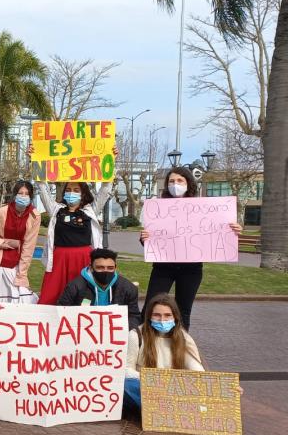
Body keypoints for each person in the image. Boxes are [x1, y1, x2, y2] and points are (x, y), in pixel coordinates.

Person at [141, 167, 243, 329]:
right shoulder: (157, 208)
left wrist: (233, 230)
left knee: (183, 311)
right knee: (150, 306)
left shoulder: (204, 207)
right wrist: (144, 238)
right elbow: (152, 240)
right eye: (171, 181)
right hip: (163, 268)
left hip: (191, 269)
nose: (175, 184)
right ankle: (145, 340)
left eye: (179, 180)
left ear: (188, 183)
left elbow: (216, 229)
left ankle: (180, 342)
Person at [36, 179, 113, 306]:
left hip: (83, 259)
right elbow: (43, 190)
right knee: (52, 293)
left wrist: (109, 174)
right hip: (60, 260)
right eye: (68, 190)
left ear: (83, 194)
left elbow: (105, 191)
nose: (71, 193)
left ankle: (83, 315)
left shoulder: (90, 210)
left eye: (76, 190)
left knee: (84, 294)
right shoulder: (56, 210)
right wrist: (38, 172)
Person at [124, 294, 207, 409]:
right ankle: (164, 408)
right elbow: (127, 370)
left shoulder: (183, 337)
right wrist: (154, 380)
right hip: (146, 386)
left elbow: (197, 370)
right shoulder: (136, 335)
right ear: (149, 316)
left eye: (167, 315)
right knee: (127, 385)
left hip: (173, 388)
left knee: (199, 385)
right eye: (157, 315)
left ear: (175, 317)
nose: (162, 320)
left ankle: (166, 407)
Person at [0, 181, 41, 307]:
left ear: (31, 196)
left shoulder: (35, 216)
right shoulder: (0, 211)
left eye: (26, 194)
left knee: (20, 300)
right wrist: (3, 243)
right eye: (20, 193)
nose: (23, 196)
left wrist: (22, 275)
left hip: (14, 263)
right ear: (15, 195)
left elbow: (28, 247)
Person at [57, 248, 142, 326]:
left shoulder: (128, 288)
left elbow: (134, 316)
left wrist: (126, 329)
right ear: (91, 268)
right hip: (83, 330)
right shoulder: (75, 287)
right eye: (100, 267)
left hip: (116, 331)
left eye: (110, 268)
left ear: (115, 268)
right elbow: (60, 312)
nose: (105, 271)